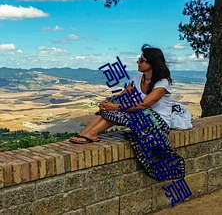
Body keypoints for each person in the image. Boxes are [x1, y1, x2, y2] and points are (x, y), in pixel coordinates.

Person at [69, 44, 185, 180]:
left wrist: (115, 107)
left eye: (142, 60)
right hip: (143, 117)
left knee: (119, 108)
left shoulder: (162, 82)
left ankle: (92, 133)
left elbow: (144, 104)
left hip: (157, 123)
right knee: (113, 101)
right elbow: (122, 97)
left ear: (152, 63)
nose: (138, 62)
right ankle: (87, 132)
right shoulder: (137, 79)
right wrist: (106, 104)